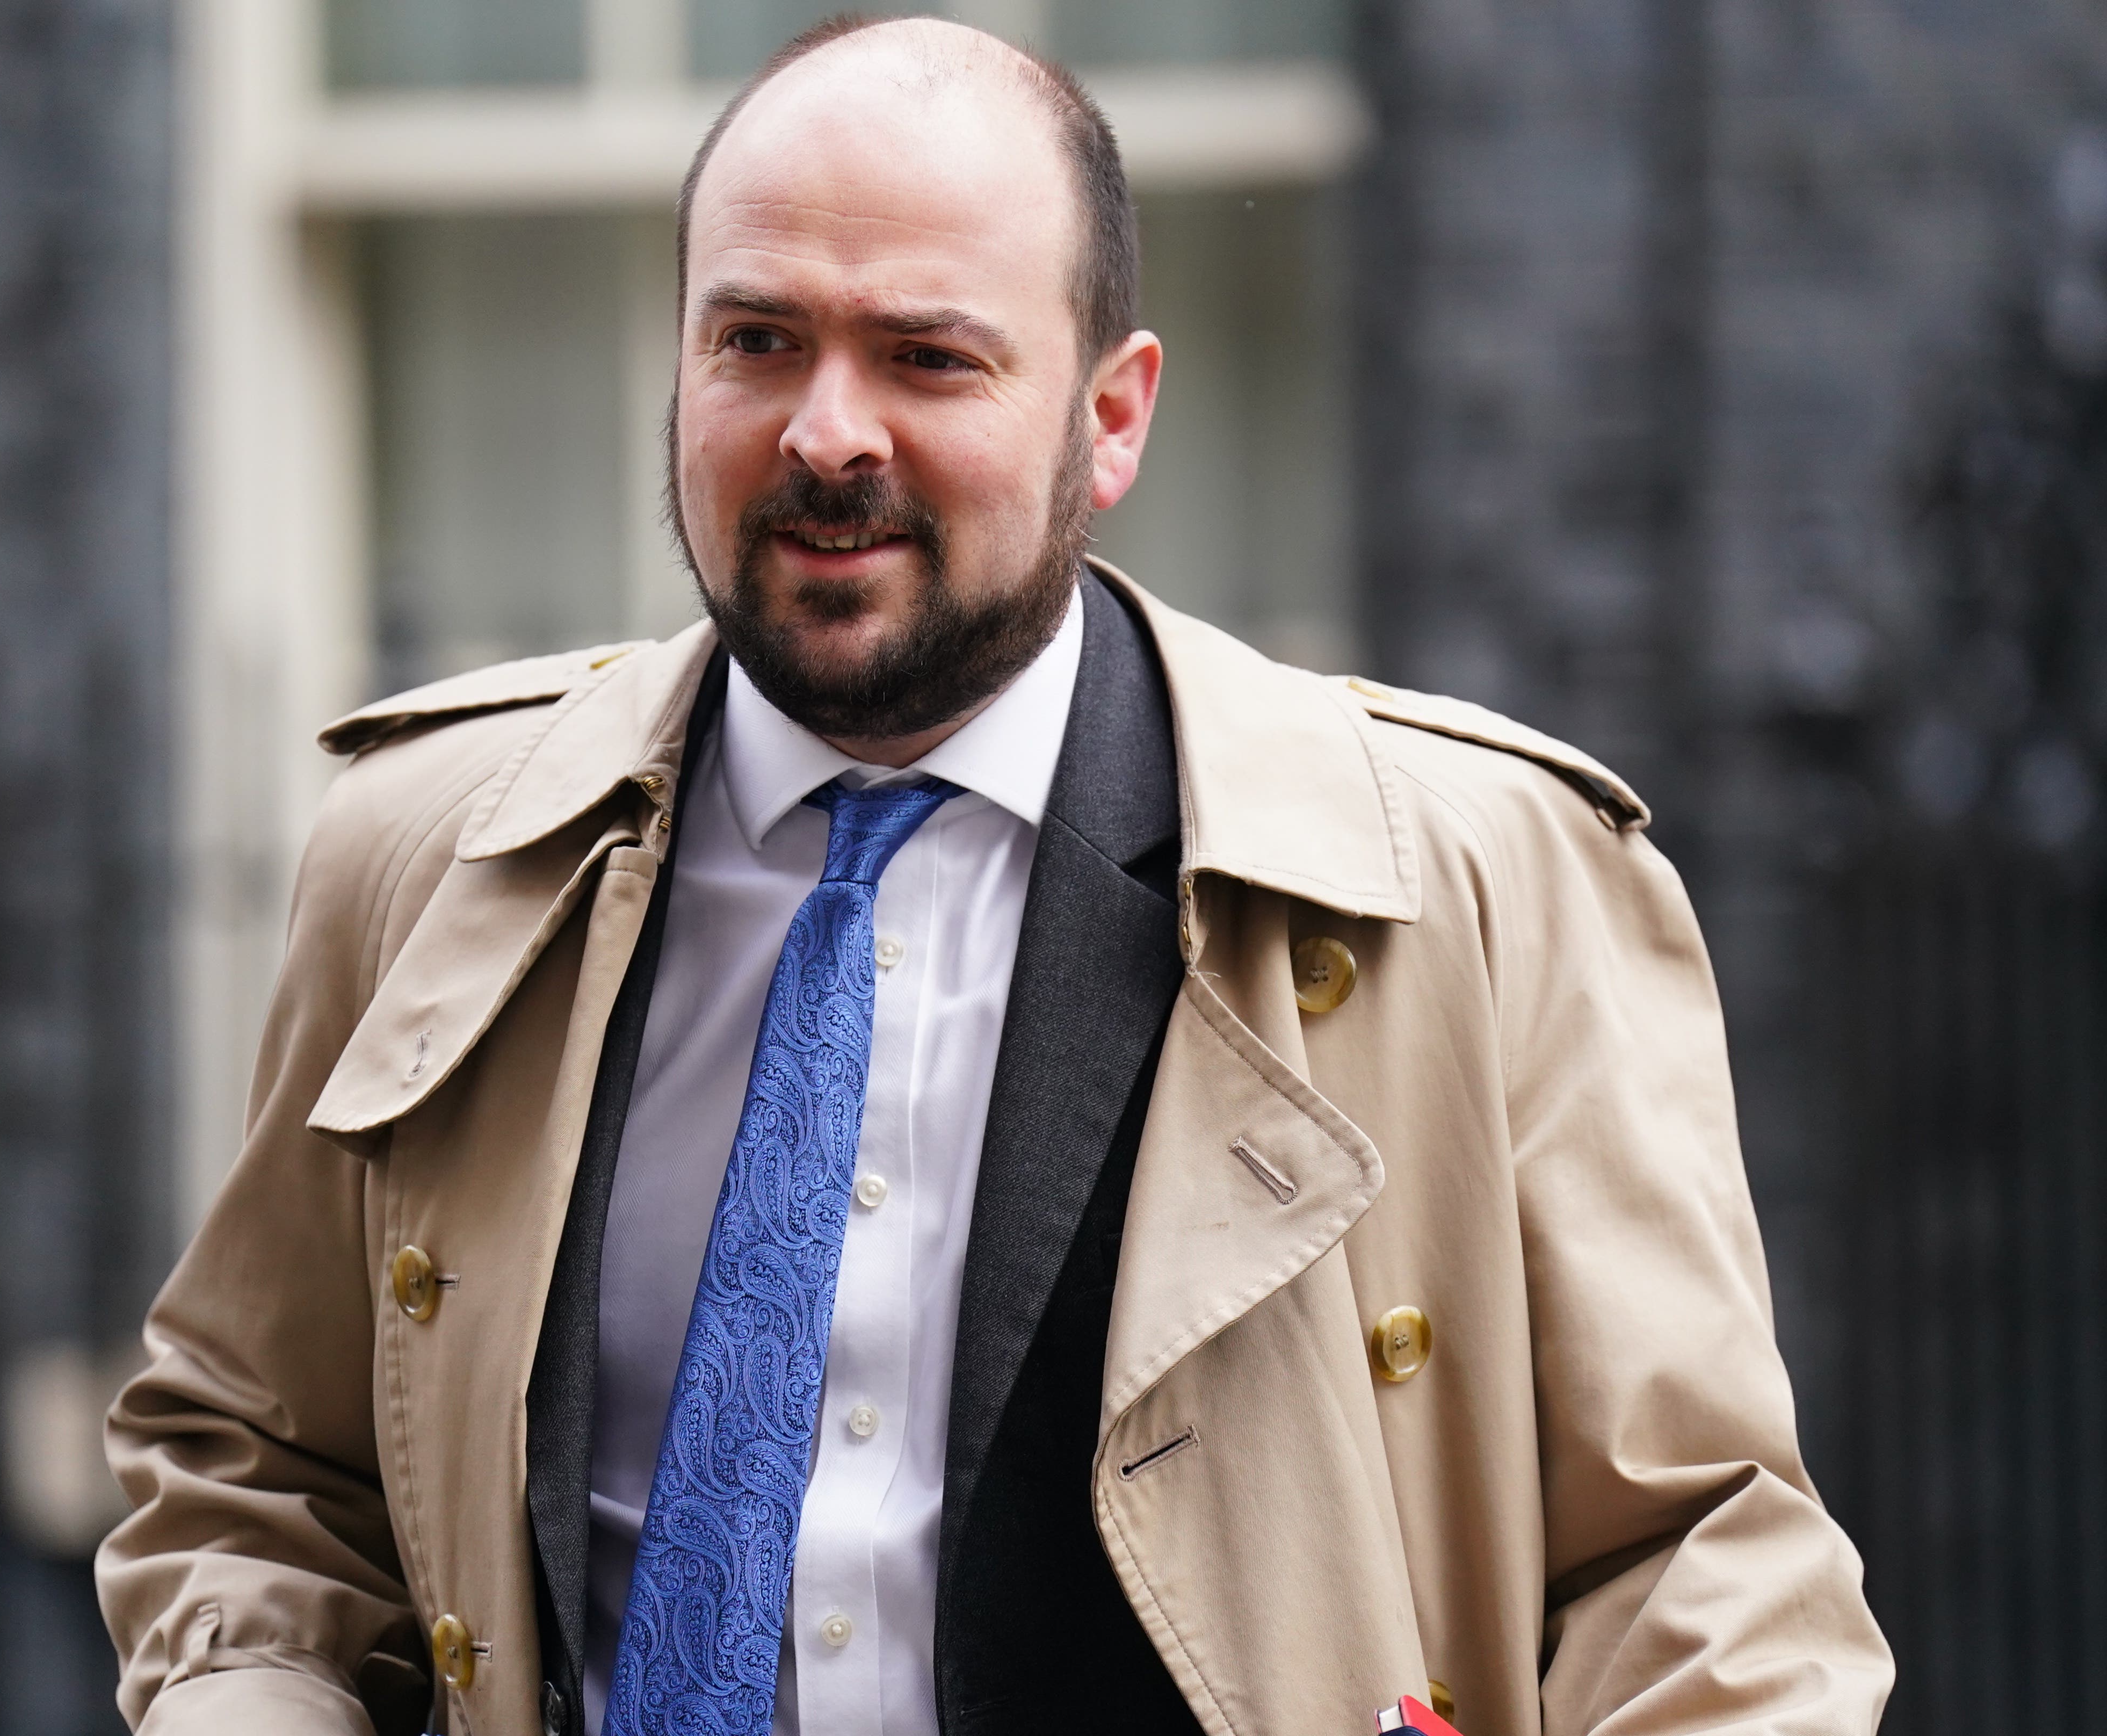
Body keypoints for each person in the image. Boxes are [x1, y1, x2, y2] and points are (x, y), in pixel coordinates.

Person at [96, 17, 1894, 1736]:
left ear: (1111, 419)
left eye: (926, 355)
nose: (824, 432)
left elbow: (1707, 1565)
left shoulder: (1486, 879)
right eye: (756, 341)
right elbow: (255, 1470)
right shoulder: (422, 859)